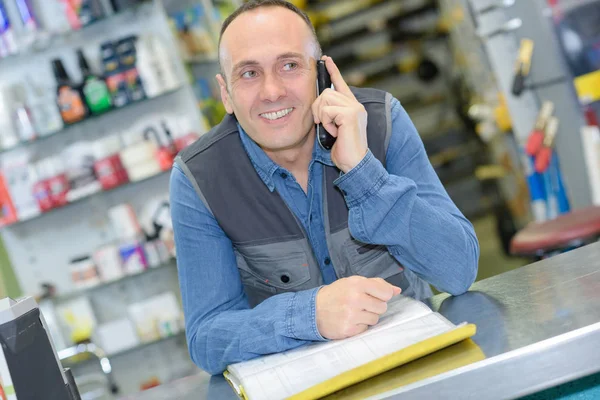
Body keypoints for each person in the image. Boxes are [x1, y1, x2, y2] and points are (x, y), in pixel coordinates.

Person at [170, 0, 479, 375]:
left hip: (417, 367)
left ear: (321, 73)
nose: (271, 91)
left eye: (289, 65)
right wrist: (310, 315)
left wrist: (363, 171)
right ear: (225, 93)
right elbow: (206, 338)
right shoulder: (200, 178)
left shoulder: (382, 121)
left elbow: (459, 270)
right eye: (249, 73)